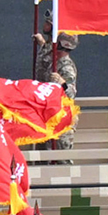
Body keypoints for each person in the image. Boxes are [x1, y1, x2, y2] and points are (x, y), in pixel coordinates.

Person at [33, 10, 78, 148]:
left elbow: (70, 93)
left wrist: (62, 83)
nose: (45, 25)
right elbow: (44, 61)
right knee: (42, 151)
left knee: (59, 155)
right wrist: (42, 44)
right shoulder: (52, 55)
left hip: (60, 118)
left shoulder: (66, 67)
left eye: (49, 23)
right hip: (46, 113)